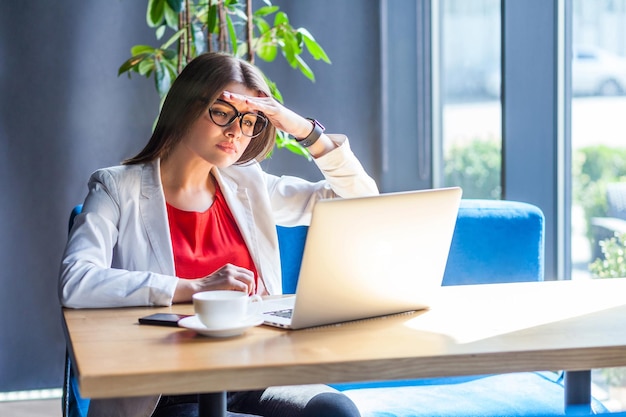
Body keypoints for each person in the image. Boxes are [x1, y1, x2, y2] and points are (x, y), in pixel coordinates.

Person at [59, 52, 378, 417]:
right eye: (223, 113)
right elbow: (76, 281)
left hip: (253, 373)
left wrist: (303, 130)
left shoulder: (248, 183)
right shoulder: (117, 187)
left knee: (334, 411)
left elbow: (360, 201)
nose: (235, 132)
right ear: (183, 108)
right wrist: (191, 287)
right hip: (168, 390)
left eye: (249, 121)